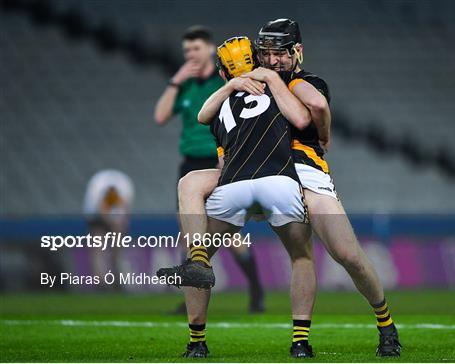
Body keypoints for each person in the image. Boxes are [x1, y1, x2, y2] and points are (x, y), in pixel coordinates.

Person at [171, 19, 402, 358]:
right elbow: (216, 128)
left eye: (279, 53)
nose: (272, 59)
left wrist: (322, 134)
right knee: (203, 233)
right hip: (266, 174)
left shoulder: (303, 81)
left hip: (305, 174)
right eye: (266, 53)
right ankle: (217, 337)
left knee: (348, 254)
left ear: (298, 51)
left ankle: (385, 323)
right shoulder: (248, 86)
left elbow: (318, 107)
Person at [157, 36, 317, 359]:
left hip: (234, 183)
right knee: (301, 257)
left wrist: (231, 87)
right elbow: (303, 120)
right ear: (259, 61)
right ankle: (300, 342)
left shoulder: (220, 106)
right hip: (279, 182)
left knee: (195, 254)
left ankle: (196, 342)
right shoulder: (281, 86)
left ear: (222, 74)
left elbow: (206, 123)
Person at [153, 25, 264, 312]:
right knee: (189, 233)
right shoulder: (186, 86)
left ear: (209, 49)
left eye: (196, 48)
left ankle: (256, 290)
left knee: (229, 235)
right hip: (190, 164)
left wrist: (224, 157)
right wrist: (176, 80)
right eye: (187, 50)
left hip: (218, 161)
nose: (191, 54)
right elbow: (161, 116)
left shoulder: (224, 80)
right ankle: (191, 292)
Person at [83, 169, 134, 288]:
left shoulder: (125, 188)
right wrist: (111, 221)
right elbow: (101, 208)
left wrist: (119, 224)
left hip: (115, 216)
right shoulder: (98, 189)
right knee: (98, 247)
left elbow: (125, 210)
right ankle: (100, 281)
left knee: (118, 247)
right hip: (96, 217)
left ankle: (117, 277)